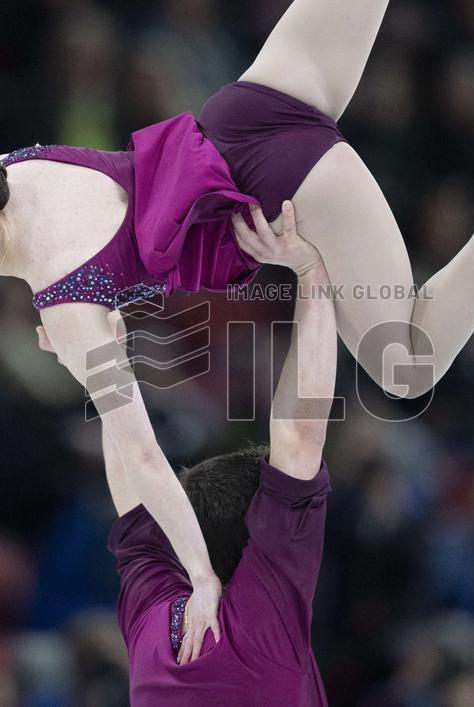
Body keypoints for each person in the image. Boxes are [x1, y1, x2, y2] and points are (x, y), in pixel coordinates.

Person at [0, 0, 474, 660]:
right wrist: (94, 316)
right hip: (249, 107)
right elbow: (109, 225)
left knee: (406, 366)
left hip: (279, 191)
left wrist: (202, 576)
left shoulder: (61, 300)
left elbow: (142, 455)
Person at [100, 207, 337, 704]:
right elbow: (131, 491)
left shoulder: (155, 624)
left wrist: (312, 272)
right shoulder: (259, 624)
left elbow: (133, 491)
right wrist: (105, 357)